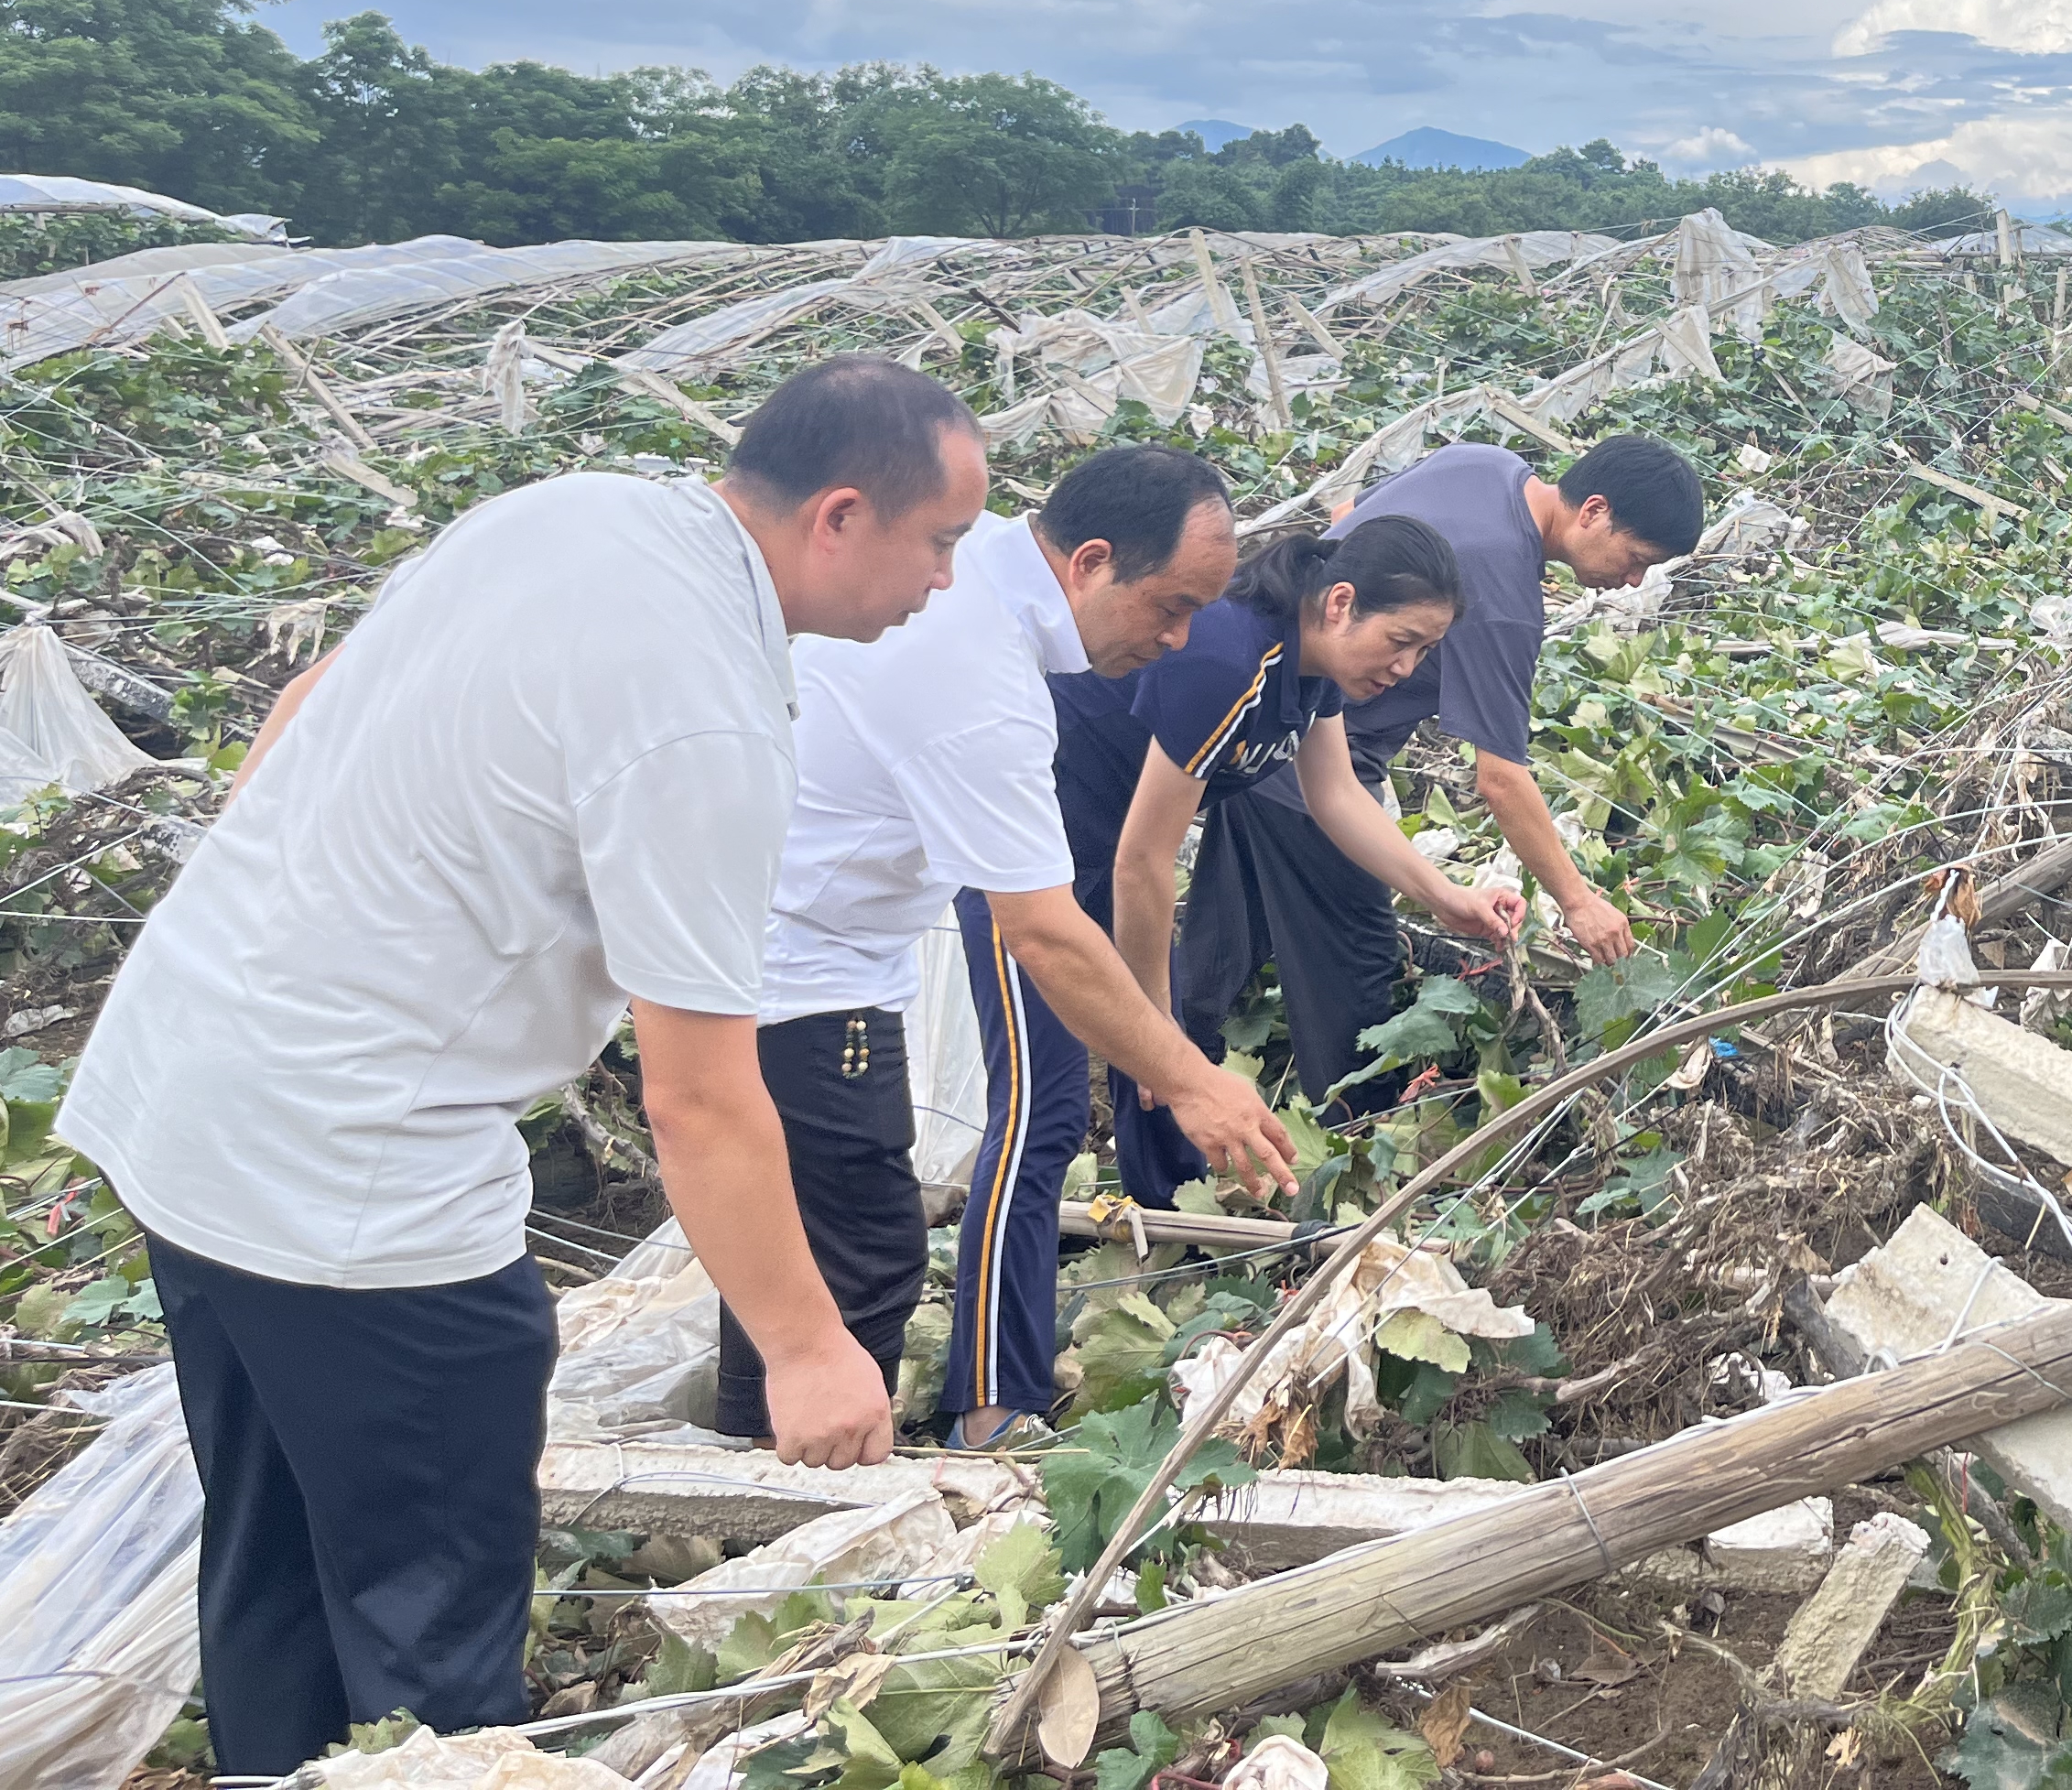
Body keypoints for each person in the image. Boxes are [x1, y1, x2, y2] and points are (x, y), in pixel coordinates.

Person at [55, 355, 982, 1777]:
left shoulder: (572, 513)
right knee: (430, 1639)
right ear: (842, 516)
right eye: (942, 543)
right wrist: (805, 1350)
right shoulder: (709, 719)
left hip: (189, 1103)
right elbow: (697, 1092)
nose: (944, 582)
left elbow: (314, 699)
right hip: (358, 1199)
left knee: (277, 1565)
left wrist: (287, 925)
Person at [715, 443, 1299, 1448]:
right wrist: (1192, 1080)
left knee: (810, 1238)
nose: (1179, 637)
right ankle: (798, 1499)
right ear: (1091, 561)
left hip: (798, 948)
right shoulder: (979, 673)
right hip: (800, 973)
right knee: (865, 1256)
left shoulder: (984, 567)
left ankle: (747, 1458)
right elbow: (1042, 930)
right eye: (1167, 606)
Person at [945, 515, 1523, 1441]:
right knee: (1042, 1112)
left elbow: (1336, 797)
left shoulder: (1306, 673)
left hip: (1097, 866)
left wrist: (1443, 893)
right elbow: (1144, 861)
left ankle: (1176, 1253)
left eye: (1425, 652)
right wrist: (1155, 1039)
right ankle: (986, 1398)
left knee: (1176, 1061)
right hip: (1030, 868)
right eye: (1402, 641)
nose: (1405, 670)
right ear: (1339, 603)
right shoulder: (1227, 660)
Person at [1173, 433, 1703, 1135]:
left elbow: (1351, 512)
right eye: (1637, 561)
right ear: (1595, 511)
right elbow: (1501, 779)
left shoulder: (1482, 463)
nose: (1634, 583)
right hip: (1321, 763)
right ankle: (1357, 1142)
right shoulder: (1505, 595)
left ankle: (1175, 1066)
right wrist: (1580, 903)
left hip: (1274, 708)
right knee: (1356, 964)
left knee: (1227, 927)